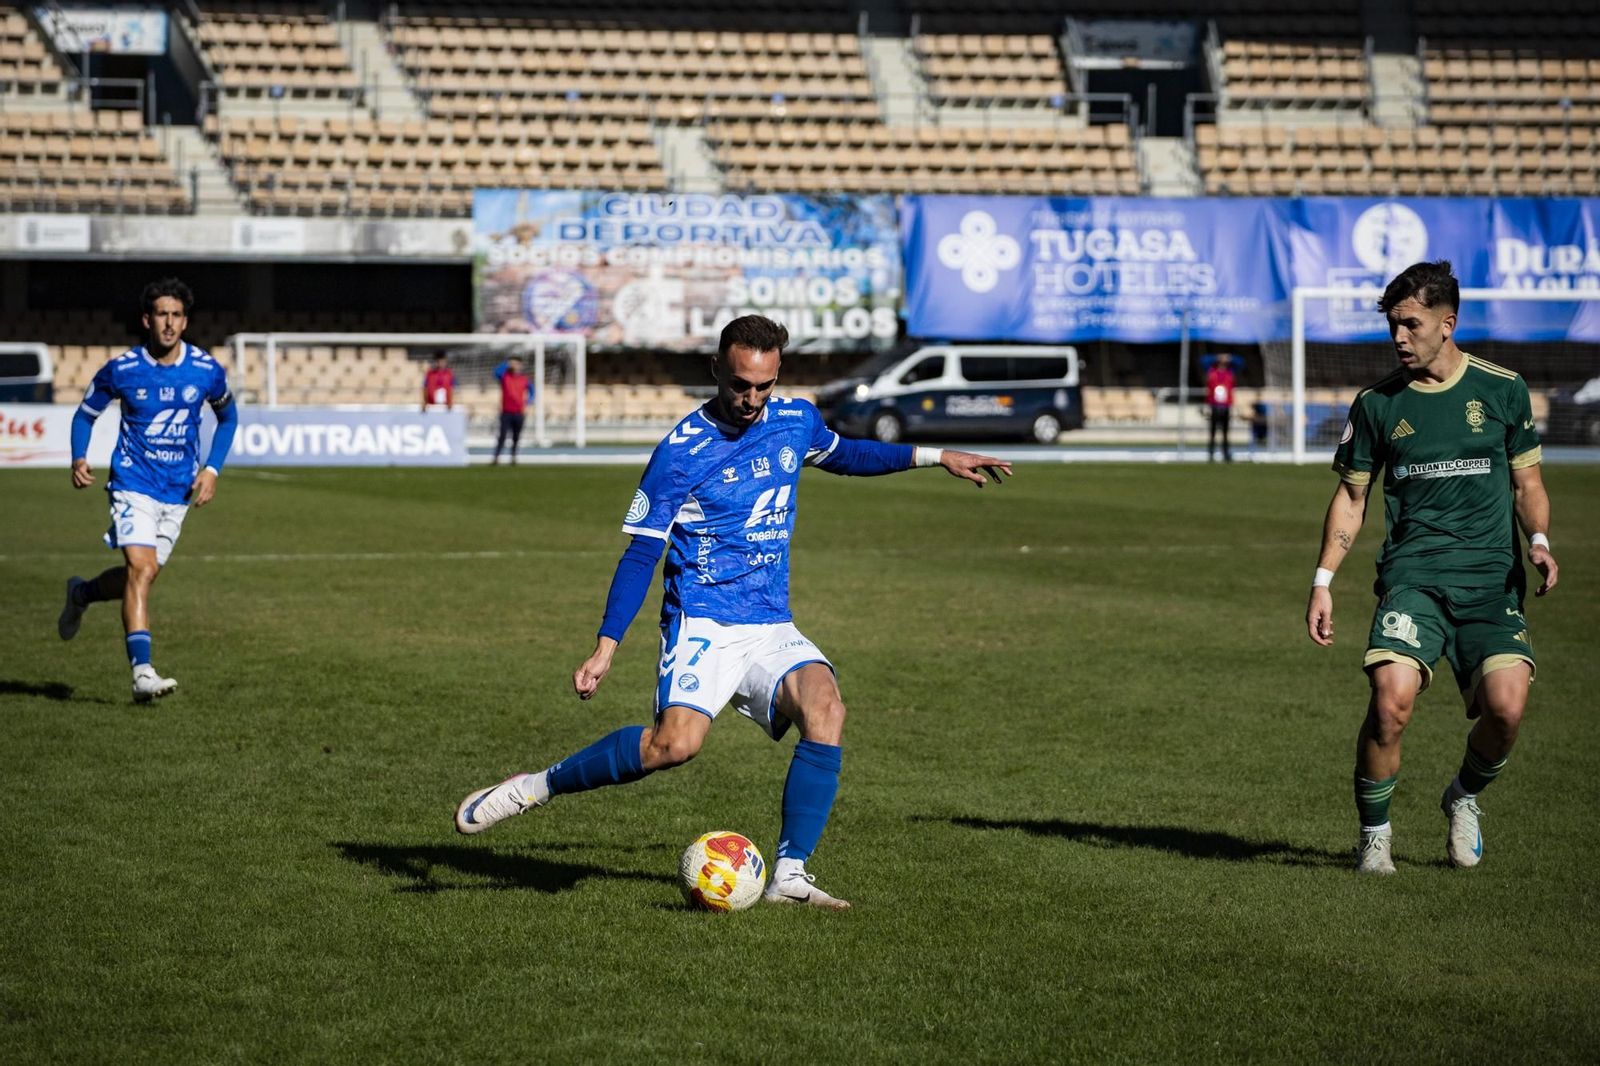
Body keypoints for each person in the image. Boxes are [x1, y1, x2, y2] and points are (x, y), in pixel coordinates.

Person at [454, 315, 1013, 909]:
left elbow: (847, 454)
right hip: (703, 620)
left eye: (763, 386)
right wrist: (606, 644)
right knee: (673, 747)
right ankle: (532, 788)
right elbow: (643, 551)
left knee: (825, 707)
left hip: (770, 621)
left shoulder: (796, 421)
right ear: (716, 369)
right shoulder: (679, 452)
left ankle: (790, 876)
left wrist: (935, 455)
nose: (751, 399)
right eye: (740, 384)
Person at [1306, 260, 1558, 875]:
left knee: (1506, 710)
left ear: (1447, 323)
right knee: (1390, 701)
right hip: (1412, 581)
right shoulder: (1376, 404)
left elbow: (1528, 483)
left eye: (1410, 324)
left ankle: (1464, 798)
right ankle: (1375, 837)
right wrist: (1323, 582)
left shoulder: (1503, 390)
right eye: (1393, 325)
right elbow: (1352, 496)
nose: (1399, 337)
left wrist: (1541, 541)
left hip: (1489, 581)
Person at [57, 277, 239, 702]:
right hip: (132, 483)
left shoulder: (207, 370)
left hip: (177, 491)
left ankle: (81, 592)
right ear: (147, 320)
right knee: (141, 569)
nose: (170, 324)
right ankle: (142, 674)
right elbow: (85, 415)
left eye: (176, 315)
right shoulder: (122, 370)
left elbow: (228, 419)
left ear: (185, 321)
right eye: (162, 315)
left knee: (146, 574)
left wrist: (211, 469)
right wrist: (78, 456)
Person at [492, 355, 534, 464]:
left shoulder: (524, 379)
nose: (513, 366)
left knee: (516, 436)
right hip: (506, 411)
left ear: (520, 365)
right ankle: (496, 457)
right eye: (512, 363)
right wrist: (507, 363)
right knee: (502, 435)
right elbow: (496, 372)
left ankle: (513, 457)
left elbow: (532, 391)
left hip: (519, 412)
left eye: (515, 363)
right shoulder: (505, 376)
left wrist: (528, 403)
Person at [1203, 352, 1236, 462]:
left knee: (1225, 433)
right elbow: (1203, 361)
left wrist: (1230, 357)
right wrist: (1216, 356)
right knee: (1212, 432)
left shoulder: (1230, 373)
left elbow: (1241, 362)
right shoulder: (1212, 372)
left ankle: (1226, 454)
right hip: (1215, 406)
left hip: (1226, 406)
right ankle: (1211, 454)